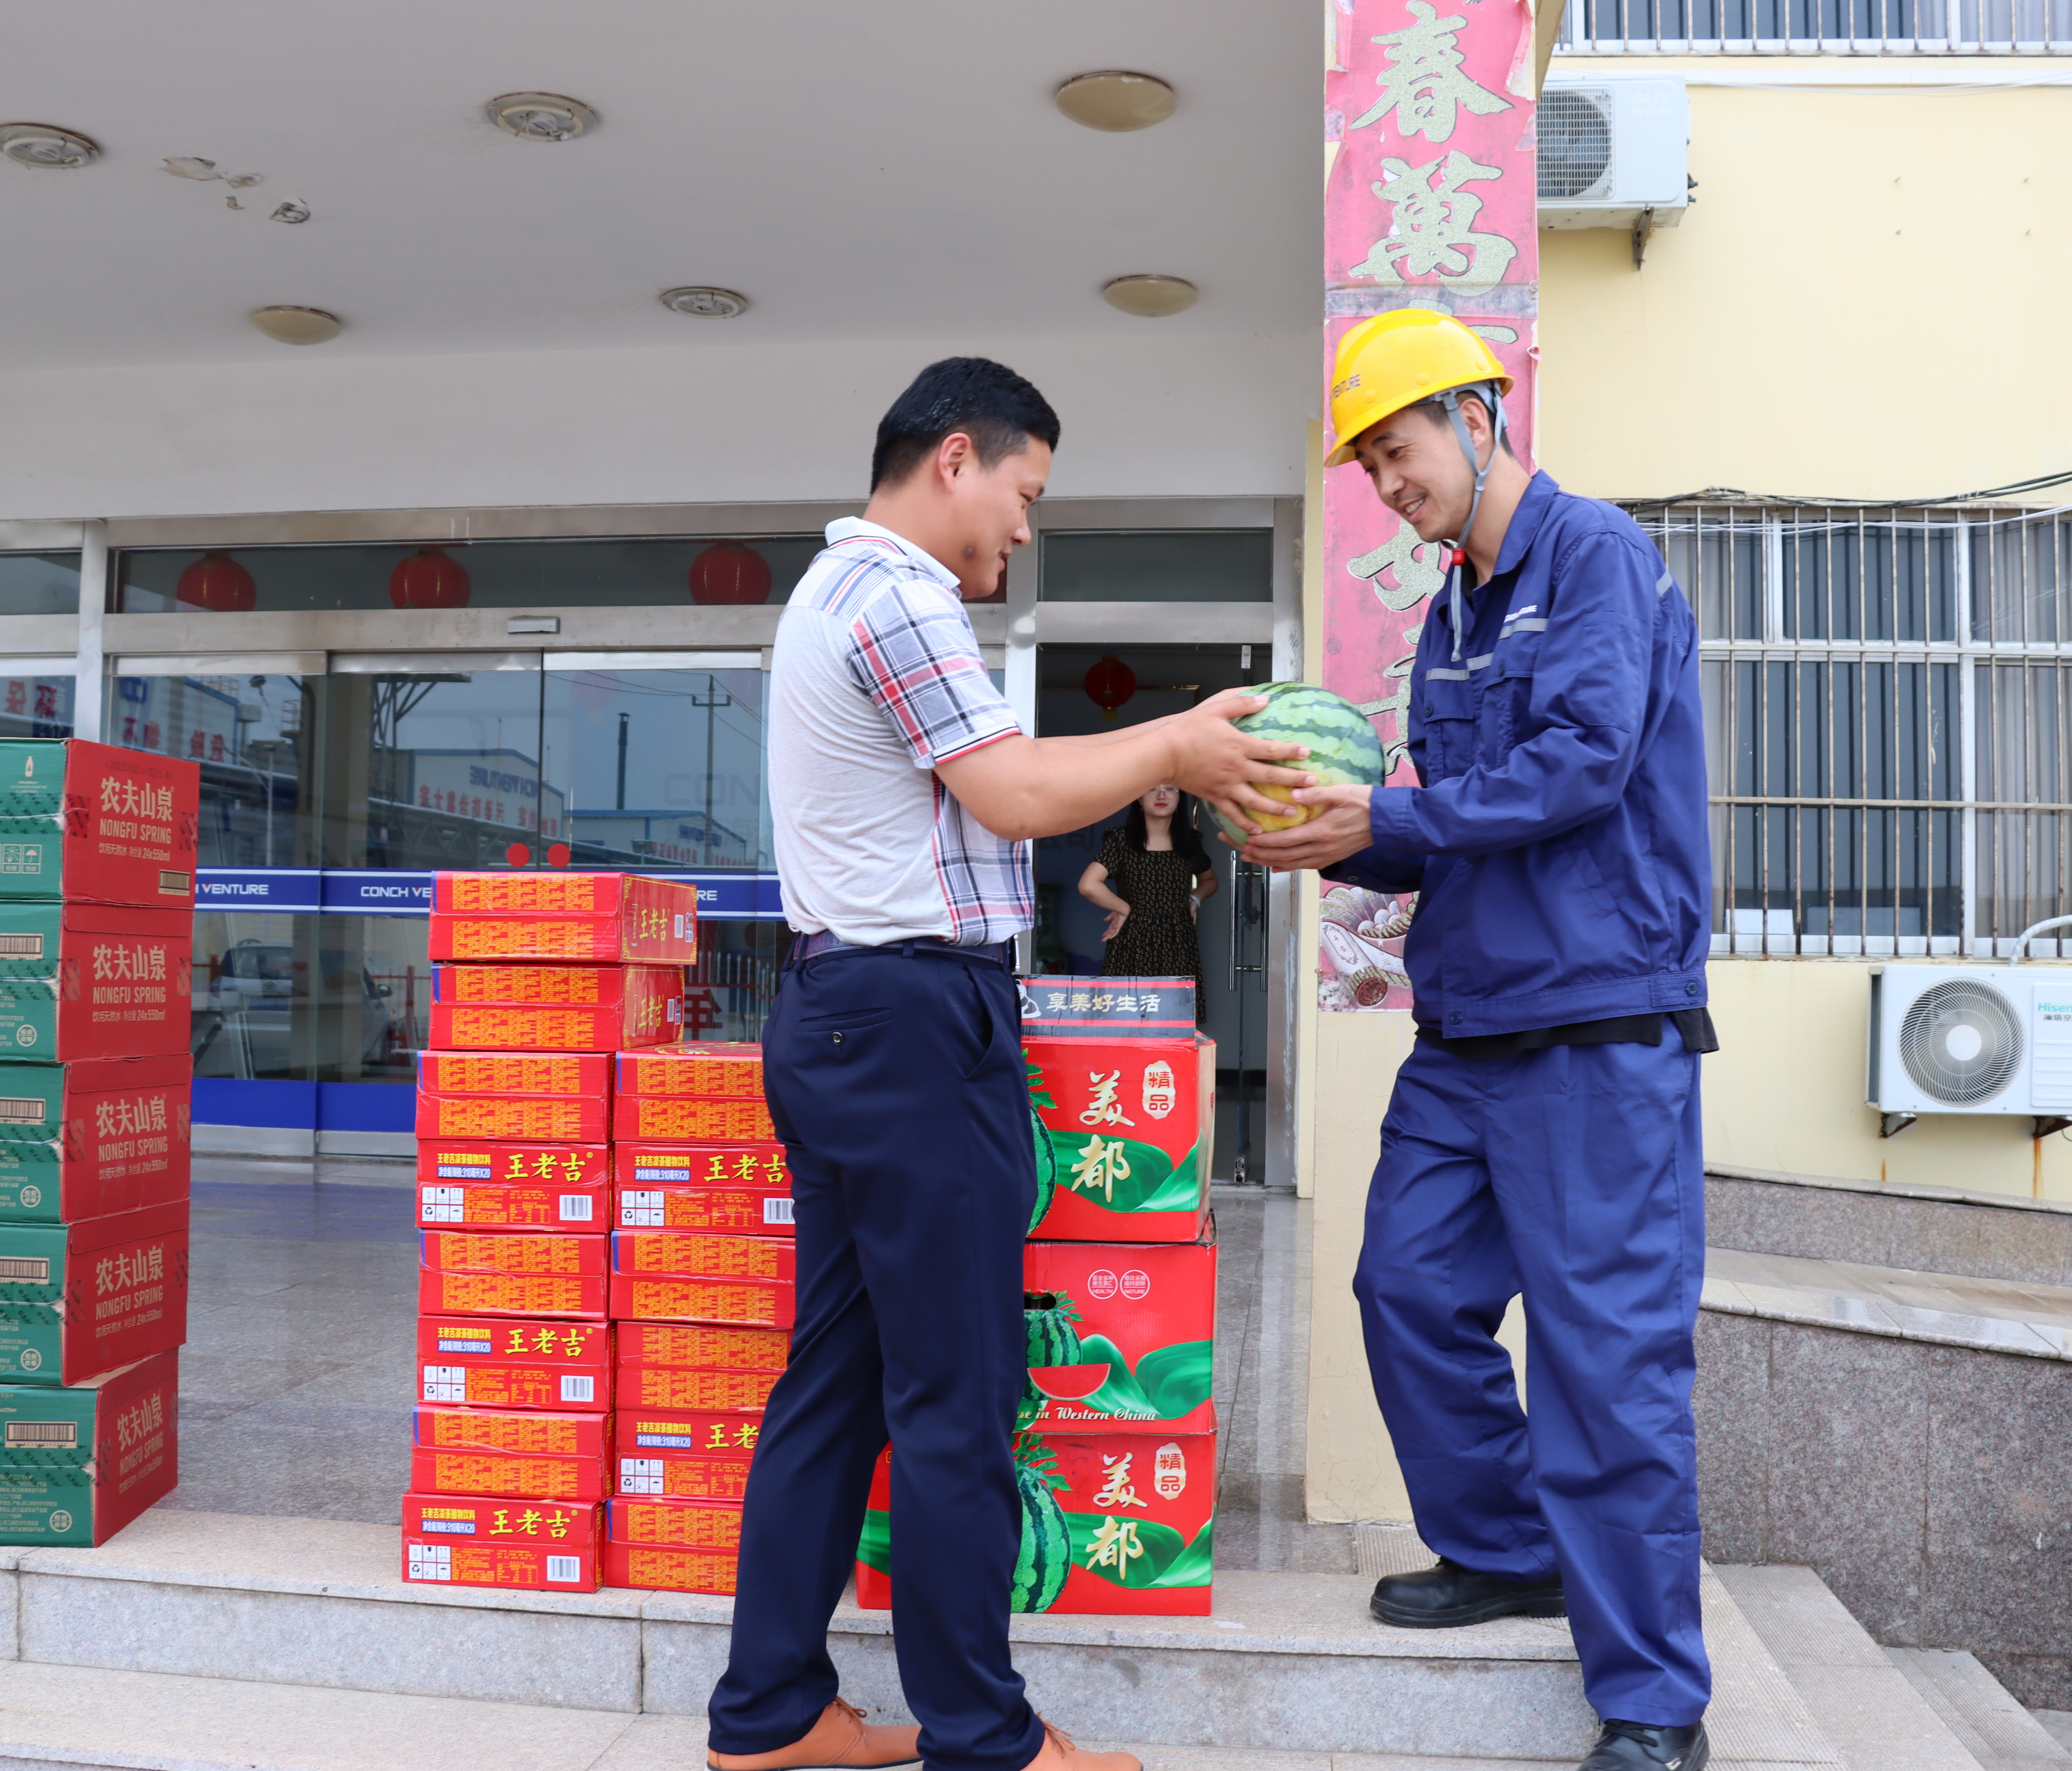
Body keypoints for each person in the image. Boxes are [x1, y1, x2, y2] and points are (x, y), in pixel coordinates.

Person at [705, 356, 1308, 1771]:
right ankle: (980, 1733)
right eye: (1022, 496)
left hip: (847, 1017)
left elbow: (995, 780)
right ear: (954, 457)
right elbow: (1016, 789)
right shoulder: (895, 591)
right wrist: (1173, 737)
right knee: (955, 1394)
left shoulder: (828, 592)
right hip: (911, 1028)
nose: (1020, 531)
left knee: (837, 1380)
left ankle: (770, 1710)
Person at [1237, 309, 1719, 1771]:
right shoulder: (1448, 610)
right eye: (1370, 467)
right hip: (1466, 1031)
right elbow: (1445, 831)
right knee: (1402, 1285)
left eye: (1397, 450)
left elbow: (1576, 765)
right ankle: (1506, 1545)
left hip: (1595, 1031)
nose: (1388, 484)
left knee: (1602, 1358)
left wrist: (1383, 812)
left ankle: (1650, 1696)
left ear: (1477, 411)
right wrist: (1322, 836)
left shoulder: (1594, 559)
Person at [1076, 784, 1216, 1020]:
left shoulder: (1190, 842)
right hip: (1132, 943)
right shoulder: (1121, 841)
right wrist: (1123, 907)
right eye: (1152, 789)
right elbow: (1089, 885)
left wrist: (1195, 899)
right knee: (1125, 1019)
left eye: (1171, 789)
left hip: (1178, 943)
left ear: (1180, 798)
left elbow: (1210, 880)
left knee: (1176, 1023)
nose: (1162, 796)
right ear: (1139, 798)